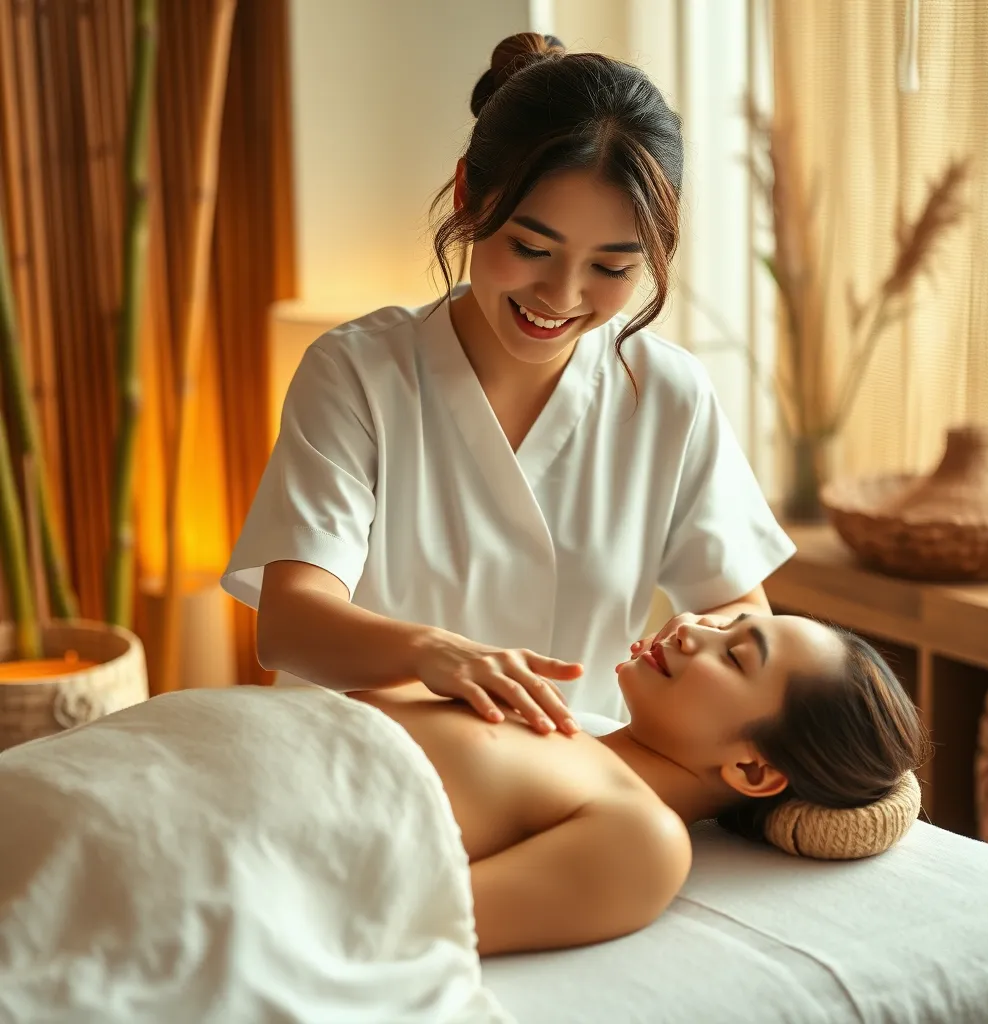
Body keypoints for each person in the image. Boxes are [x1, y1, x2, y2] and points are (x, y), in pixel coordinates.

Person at [222, 32, 797, 730]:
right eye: (530, 247)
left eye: (611, 268)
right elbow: (291, 623)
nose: (561, 294)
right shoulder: (358, 373)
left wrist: (698, 644)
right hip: (359, 762)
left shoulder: (668, 394)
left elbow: (735, 608)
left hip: (565, 771)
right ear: (469, 194)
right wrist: (437, 655)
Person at [347, 611, 929, 955]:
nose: (690, 628)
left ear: (753, 770)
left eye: (734, 657)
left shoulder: (642, 838)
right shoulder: (539, 707)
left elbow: (396, 921)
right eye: (724, 624)